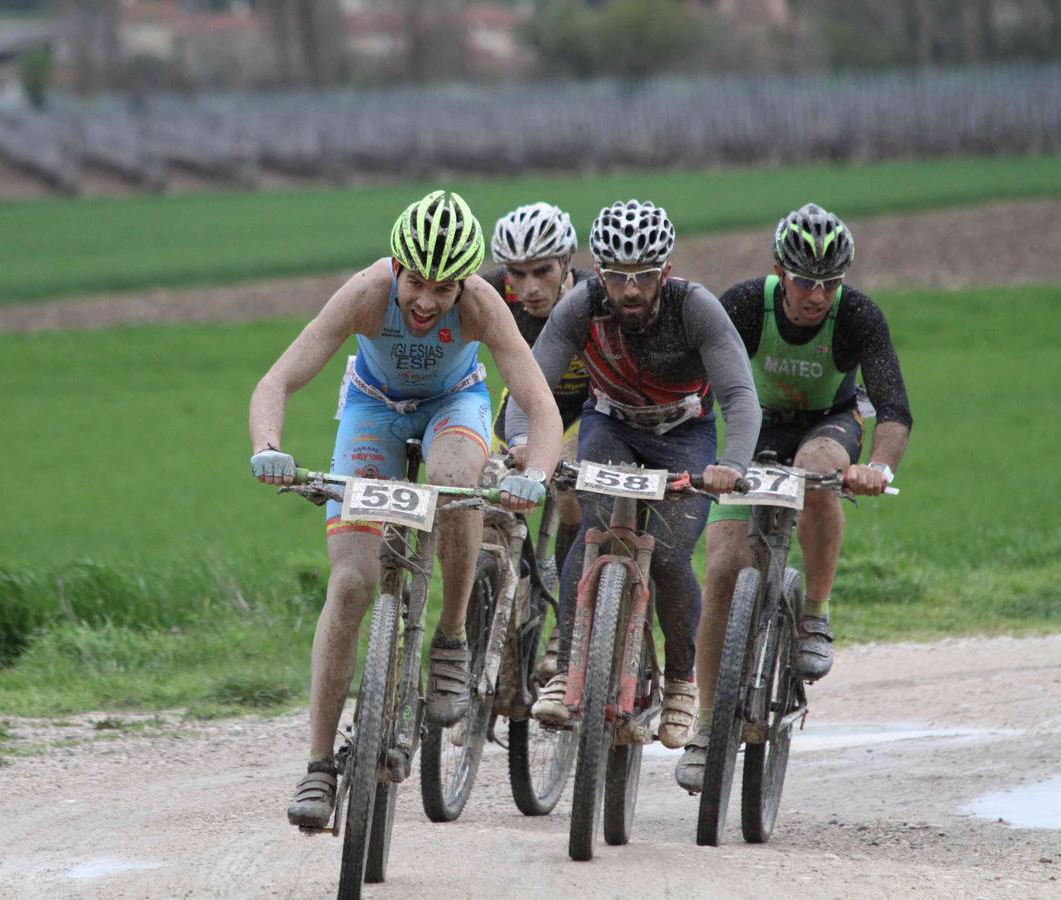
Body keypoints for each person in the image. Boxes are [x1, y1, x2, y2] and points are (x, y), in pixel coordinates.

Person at [248, 190, 564, 829]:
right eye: (415, 282)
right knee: (352, 582)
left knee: (453, 480)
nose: (425, 301)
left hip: (455, 404)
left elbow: (541, 405)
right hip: (371, 409)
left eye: (442, 289)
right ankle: (317, 768)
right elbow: (279, 378)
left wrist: (535, 474)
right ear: (397, 268)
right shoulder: (367, 291)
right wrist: (269, 446)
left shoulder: (482, 305)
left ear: (465, 285)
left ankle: (449, 638)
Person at [504, 199, 760, 749]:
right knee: (594, 532)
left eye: (644, 275)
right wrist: (524, 442)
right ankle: (568, 668)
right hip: (611, 424)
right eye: (617, 276)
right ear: (599, 272)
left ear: (665, 271)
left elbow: (740, 395)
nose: (630, 290)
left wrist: (732, 466)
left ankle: (680, 682)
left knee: (668, 554)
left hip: (684, 434)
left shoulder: (696, 309)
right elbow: (531, 384)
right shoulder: (581, 305)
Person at [675, 202, 912, 791]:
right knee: (725, 568)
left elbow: (894, 409)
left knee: (819, 470)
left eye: (829, 283)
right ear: (780, 270)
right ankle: (707, 728)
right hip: (755, 429)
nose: (816, 295)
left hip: (828, 425)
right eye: (805, 280)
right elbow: (693, 378)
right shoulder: (744, 305)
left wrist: (877, 466)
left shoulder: (856, 315)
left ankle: (814, 615)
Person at [482, 201, 596, 676]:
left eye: (541, 272)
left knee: (569, 486)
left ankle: (564, 622)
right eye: (516, 273)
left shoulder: (594, 295)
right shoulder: (492, 293)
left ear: (567, 259)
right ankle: (503, 597)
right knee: (485, 492)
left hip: (587, 407)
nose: (527, 289)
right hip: (528, 404)